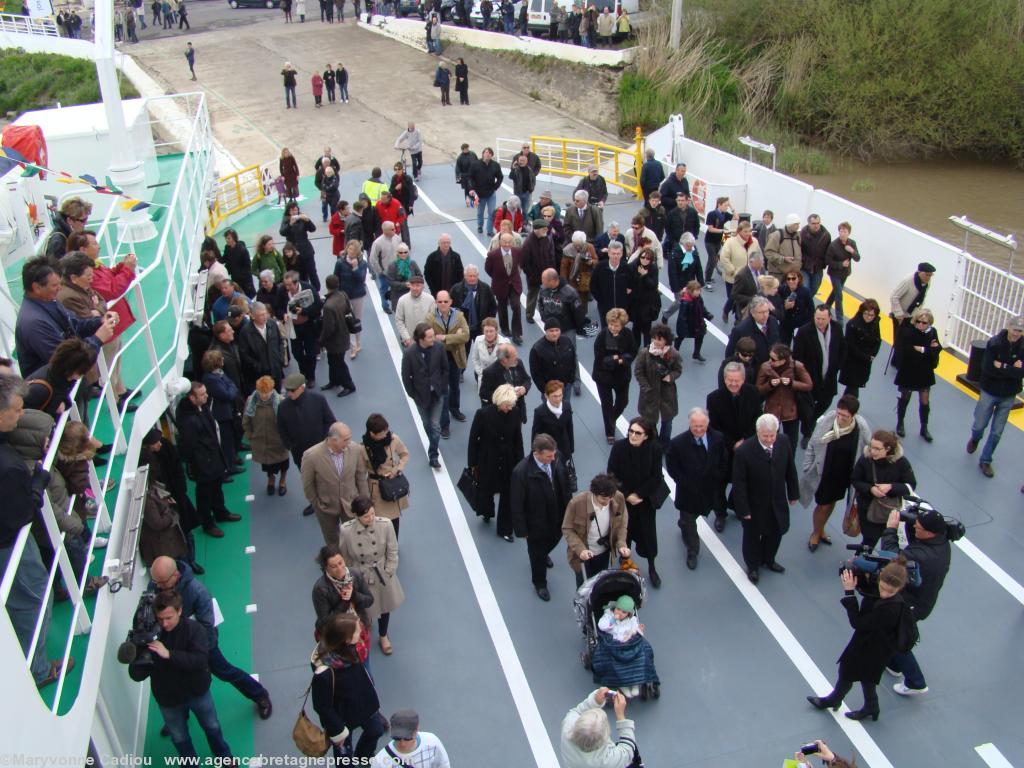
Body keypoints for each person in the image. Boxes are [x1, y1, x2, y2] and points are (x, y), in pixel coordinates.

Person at [0, 375, 71, 687]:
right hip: (8, 545)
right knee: (32, 597)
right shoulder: (7, 468)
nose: (19, 416)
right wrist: (37, 485)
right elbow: (21, 515)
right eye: (15, 411)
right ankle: (40, 669)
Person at [148, 556, 271, 719]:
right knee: (179, 679)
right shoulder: (156, 587)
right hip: (172, 645)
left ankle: (260, 694)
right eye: (156, 581)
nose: (157, 586)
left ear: (176, 575)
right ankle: (179, 714)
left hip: (202, 645)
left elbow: (206, 626)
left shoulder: (197, 592)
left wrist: (196, 653)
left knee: (225, 671)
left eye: (162, 582)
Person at [128, 591, 233, 759]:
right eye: (160, 619)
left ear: (179, 610)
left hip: (197, 691)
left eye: (169, 618)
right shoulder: (150, 634)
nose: (164, 623)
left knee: (212, 726)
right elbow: (136, 675)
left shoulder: (194, 630)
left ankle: (224, 757)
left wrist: (168, 654)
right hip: (168, 699)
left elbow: (199, 660)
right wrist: (136, 652)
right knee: (179, 737)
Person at [808, 561, 912, 723]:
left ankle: (835, 700)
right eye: (882, 588)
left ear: (899, 589)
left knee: (847, 670)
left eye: (890, 591)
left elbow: (858, 623)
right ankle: (870, 706)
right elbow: (870, 592)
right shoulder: (891, 599)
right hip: (878, 645)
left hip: (872, 645)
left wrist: (849, 592)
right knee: (867, 677)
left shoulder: (889, 609)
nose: (884, 593)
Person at [881, 505, 951, 697]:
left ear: (928, 532)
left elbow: (891, 558)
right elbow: (917, 539)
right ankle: (894, 664)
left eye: (918, 527)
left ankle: (915, 681)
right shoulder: (941, 541)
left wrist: (890, 529)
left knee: (896, 637)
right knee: (895, 633)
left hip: (912, 603)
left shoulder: (920, 556)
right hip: (921, 599)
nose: (915, 528)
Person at [15, 260, 115, 381]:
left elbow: (74, 325)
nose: (60, 288)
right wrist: (98, 339)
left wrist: (100, 321)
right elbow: (64, 363)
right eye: (54, 285)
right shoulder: (34, 323)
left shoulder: (49, 300)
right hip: (55, 393)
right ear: (36, 288)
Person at [732, 414, 799, 584]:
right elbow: (739, 483)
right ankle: (753, 566)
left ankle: (769, 559)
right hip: (754, 504)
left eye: (772, 435)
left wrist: (793, 493)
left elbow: (790, 469)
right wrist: (743, 509)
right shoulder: (744, 451)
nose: (769, 439)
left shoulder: (783, 442)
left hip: (777, 501)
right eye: (765, 436)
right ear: (758, 432)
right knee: (752, 536)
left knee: (776, 532)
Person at [311, 613, 387, 759]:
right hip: (342, 717)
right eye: (357, 631)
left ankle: (362, 757)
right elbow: (322, 706)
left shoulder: (351, 649)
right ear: (346, 640)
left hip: (364, 704)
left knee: (376, 730)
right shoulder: (324, 672)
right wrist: (338, 731)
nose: (361, 633)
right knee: (343, 755)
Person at [800, 395, 871, 551]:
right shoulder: (828, 421)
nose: (840, 418)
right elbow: (813, 443)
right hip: (825, 472)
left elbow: (868, 449)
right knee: (823, 505)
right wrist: (807, 467)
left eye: (845, 416)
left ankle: (821, 529)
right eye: (839, 413)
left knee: (831, 502)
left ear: (854, 416)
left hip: (844, 475)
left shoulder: (861, 427)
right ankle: (816, 533)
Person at [510, 433, 572, 601]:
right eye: (548, 456)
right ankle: (540, 583)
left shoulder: (557, 458)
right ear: (536, 453)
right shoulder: (521, 472)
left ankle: (544, 554)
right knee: (536, 553)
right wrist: (522, 530)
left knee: (555, 538)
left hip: (558, 514)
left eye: (553, 455)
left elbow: (564, 485)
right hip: (536, 521)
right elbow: (516, 503)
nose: (552, 459)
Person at [339, 496, 404, 655]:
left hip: (381, 573)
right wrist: (350, 575)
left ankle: (383, 635)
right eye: (366, 516)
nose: (370, 518)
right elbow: (345, 555)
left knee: (384, 607)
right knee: (361, 608)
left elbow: (392, 550)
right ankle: (364, 631)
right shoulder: (346, 531)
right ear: (356, 516)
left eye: (373, 514)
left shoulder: (385, 525)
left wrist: (389, 571)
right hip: (360, 574)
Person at [175, 382, 241, 537]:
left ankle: (221, 512)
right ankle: (208, 523)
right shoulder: (188, 420)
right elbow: (189, 446)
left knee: (217, 488)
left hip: (213, 457)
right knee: (204, 495)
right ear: (192, 398)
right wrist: (200, 463)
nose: (206, 396)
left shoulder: (201, 407)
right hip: (203, 464)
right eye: (202, 394)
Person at [666, 407, 728, 571]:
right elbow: (672, 467)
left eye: (702, 426)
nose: (699, 430)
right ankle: (693, 550)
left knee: (715, 505)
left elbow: (724, 459)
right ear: (689, 424)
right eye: (695, 426)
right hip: (689, 492)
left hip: (711, 488)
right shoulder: (678, 443)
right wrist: (684, 482)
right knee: (689, 523)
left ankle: (720, 517)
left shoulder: (718, 438)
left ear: (707, 423)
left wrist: (718, 476)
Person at [608, 417, 664, 586]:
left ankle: (652, 567)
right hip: (623, 502)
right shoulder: (619, 448)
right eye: (631, 431)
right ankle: (626, 559)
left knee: (648, 535)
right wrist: (627, 495)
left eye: (638, 433)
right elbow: (612, 474)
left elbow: (656, 477)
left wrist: (639, 494)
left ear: (646, 436)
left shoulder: (655, 449)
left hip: (644, 502)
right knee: (625, 532)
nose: (633, 435)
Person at [706, 362, 760, 532]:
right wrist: (732, 444)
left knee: (742, 481)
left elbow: (757, 418)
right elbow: (714, 426)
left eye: (737, 380)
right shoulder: (714, 398)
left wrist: (746, 440)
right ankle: (720, 513)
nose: (733, 384)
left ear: (743, 379)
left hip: (747, 446)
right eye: (730, 380)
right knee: (719, 484)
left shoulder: (753, 393)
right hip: (723, 449)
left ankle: (736, 505)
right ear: (724, 379)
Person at [967, 314, 1024, 478]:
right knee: (979, 424)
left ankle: (985, 460)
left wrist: (1002, 366)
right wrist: (1012, 369)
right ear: (1008, 327)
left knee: (997, 431)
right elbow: (988, 368)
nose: (1016, 333)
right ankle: (975, 438)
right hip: (989, 391)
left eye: (1020, 331)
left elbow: (1021, 372)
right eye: (1014, 329)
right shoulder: (994, 344)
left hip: (1008, 394)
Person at [469, 384, 525, 540]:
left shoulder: (515, 413)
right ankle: (486, 511)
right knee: (486, 489)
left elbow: (517, 439)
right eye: (507, 405)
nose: (509, 408)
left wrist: (520, 462)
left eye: (511, 405)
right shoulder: (483, 414)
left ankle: (505, 529)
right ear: (499, 402)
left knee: (508, 494)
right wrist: (472, 464)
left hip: (508, 459)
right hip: (488, 459)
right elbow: (473, 440)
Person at [301, 422, 369, 546]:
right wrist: (317, 504)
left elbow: (360, 477)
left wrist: (365, 501)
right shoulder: (311, 456)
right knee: (332, 540)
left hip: (351, 504)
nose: (349, 442)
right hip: (326, 507)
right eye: (346, 440)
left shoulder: (355, 449)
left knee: (356, 536)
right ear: (333, 440)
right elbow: (308, 485)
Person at [851, 429, 916, 550]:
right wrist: (870, 489)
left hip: (891, 512)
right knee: (869, 539)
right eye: (871, 447)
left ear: (888, 449)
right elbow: (855, 479)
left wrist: (890, 487)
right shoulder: (865, 459)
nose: (872, 451)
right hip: (868, 509)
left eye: (877, 449)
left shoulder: (901, 463)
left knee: (889, 542)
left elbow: (910, 485)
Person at [562, 473, 629, 588]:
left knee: (600, 583)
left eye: (610, 498)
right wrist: (581, 549)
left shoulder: (618, 497)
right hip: (582, 555)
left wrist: (621, 543)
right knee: (583, 586)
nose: (607, 502)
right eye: (603, 498)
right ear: (594, 492)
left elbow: (622, 522)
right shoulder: (576, 503)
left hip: (603, 552)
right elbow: (567, 528)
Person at [793, 305, 846, 448]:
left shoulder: (836, 329)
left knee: (826, 401)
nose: (820, 321)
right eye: (817, 318)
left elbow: (842, 348)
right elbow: (797, 356)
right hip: (810, 377)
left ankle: (810, 421)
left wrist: (838, 366)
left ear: (829, 318)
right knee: (807, 407)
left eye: (823, 319)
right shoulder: (804, 332)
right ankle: (807, 432)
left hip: (828, 376)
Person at [401, 323, 448, 469]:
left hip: (437, 394)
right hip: (420, 396)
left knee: (435, 425)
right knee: (427, 424)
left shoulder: (439, 347)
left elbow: (445, 369)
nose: (433, 339)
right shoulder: (409, 353)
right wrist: (413, 394)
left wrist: (442, 387)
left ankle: (433, 455)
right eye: (430, 337)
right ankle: (434, 442)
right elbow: (406, 376)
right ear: (421, 339)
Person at [893, 307, 941, 441]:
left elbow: (937, 349)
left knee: (924, 400)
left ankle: (924, 427)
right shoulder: (909, 332)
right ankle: (900, 423)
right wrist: (927, 350)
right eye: (919, 321)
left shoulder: (932, 333)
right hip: (909, 370)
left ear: (929, 323)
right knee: (905, 397)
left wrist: (921, 349)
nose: (921, 324)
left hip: (924, 372)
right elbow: (907, 350)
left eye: (924, 323)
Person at [560, 687, 638, 768]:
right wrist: (620, 715)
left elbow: (577, 712)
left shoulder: (568, 726)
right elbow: (627, 751)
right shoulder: (608, 761)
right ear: (604, 738)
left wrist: (595, 701)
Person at [360, 414, 410, 538]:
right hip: (375, 487)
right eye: (382, 432)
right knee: (375, 519)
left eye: (386, 430)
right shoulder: (362, 448)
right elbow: (360, 472)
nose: (386, 434)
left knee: (394, 520)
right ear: (372, 433)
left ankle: (393, 545)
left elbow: (404, 454)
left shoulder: (393, 439)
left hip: (391, 483)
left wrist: (397, 469)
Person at [757, 343, 813, 454]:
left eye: (773, 359)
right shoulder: (765, 367)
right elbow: (759, 388)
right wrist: (770, 385)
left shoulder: (797, 366)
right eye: (770, 357)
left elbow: (808, 385)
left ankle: (788, 462)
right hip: (772, 410)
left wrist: (792, 383)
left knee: (791, 443)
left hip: (791, 410)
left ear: (783, 360)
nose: (770, 361)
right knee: (769, 441)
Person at [633, 324, 681, 449]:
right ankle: (654, 445)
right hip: (649, 393)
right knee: (650, 421)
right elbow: (638, 372)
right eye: (654, 338)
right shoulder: (645, 353)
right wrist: (646, 388)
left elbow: (678, 370)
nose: (656, 341)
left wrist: (670, 377)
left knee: (667, 422)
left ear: (666, 340)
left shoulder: (673, 354)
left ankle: (664, 445)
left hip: (667, 393)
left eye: (659, 339)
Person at [592, 308, 635, 444]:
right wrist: (620, 358)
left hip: (622, 376)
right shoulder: (602, 336)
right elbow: (602, 359)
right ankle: (609, 432)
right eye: (611, 324)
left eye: (616, 325)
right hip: (603, 376)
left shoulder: (628, 334)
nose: (612, 327)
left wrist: (615, 358)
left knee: (623, 402)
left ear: (622, 325)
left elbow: (632, 352)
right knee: (607, 404)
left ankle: (611, 419)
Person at [429, 291, 470, 434]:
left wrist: (444, 338)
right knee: (443, 392)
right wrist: (455, 337)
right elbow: (430, 338)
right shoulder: (430, 318)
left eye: (445, 301)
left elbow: (466, 336)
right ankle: (444, 423)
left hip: (455, 358)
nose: (443, 304)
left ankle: (455, 409)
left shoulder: (459, 316)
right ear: (436, 303)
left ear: (450, 302)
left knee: (455, 386)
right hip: (439, 359)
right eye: (440, 302)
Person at [241, 376, 289, 496]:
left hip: (278, 441)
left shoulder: (281, 401)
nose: (263, 395)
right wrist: (250, 435)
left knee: (283, 463)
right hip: (262, 441)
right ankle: (271, 480)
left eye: (266, 392)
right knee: (267, 465)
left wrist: (287, 438)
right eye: (261, 392)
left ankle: (283, 481)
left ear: (271, 390)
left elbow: (288, 422)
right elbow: (246, 421)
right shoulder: (251, 402)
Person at [312, 544, 374, 634]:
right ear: (325, 568)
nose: (340, 568)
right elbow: (325, 623)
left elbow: (369, 600)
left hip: (360, 625)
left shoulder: (355, 574)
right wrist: (345, 601)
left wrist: (353, 595)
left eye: (340, 563)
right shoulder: (320, 589)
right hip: (338, 634)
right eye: (334, 566)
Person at [889, 262, 935, 367]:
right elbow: (894, 297)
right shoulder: (908, 281)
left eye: (930, 275)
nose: (928, 277)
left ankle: (901, 360)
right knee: (899, 339)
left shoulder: (927, 282)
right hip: (900, 315)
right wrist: (899, 315)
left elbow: (922, 298)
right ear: (919, 272)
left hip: (912, 316)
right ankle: (897, 362)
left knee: (907, 339)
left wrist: (918, 314)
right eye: (926, 274)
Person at [371, 709, 450, 768]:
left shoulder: (432, 743)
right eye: (397, 738)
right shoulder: (380, 762)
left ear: (417, 729)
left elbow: (443, 765)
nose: (402, 744)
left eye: (407, 738)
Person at [319, 275, 357, 397]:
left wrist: (321, 341)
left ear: (327, 285)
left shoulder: (328, 306)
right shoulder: (343, 295)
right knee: (333, 361)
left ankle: (349, 385)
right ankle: (334, 380)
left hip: (335, 341)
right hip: (344, 334)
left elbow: (329, 328)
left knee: (339, 363)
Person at [282, 271, 322, 384]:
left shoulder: (308, 288)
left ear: (296, 283)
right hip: (293, 327)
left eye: (289, 285)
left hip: (308, 326)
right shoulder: (282, 291)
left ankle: (310, 376)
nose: (287, 287)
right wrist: (283, 314)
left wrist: (303, 311)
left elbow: (318, 306)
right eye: (286, 285)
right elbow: (278, 306)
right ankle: (304, 371)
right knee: (296, 352)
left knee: (310, 352)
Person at [484, 232, 524, 344]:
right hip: (500, 285)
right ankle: (505, 329)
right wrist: (497, 277)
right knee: (502, 307)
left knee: (516, 306)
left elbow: (521, 264)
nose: (507, 244)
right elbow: (488, 269)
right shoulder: (493, 255)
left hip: (514, 284)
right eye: (504, 242)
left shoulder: (517, 252)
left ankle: (517, 334)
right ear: (500, 242)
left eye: (509, 242)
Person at [838, 298, 882, 399]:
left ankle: (846, 408)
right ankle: (847, 409)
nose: (868, 317)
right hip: (852, 361)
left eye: (871, 315)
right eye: (866, 313)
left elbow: (878, 340)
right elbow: (851, 346)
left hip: (865, 362)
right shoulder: (852, 325)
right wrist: (867, 357)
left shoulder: (875, 323)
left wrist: (873, 355)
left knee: (854, 387)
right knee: (853, 387)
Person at [479, 343, 531, 423]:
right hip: (500, 415)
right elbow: (483, 393)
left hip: (518, 411)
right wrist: (504, 396)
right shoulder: (490, 372)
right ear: (504, 360)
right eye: (514, 356)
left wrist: (524, 388)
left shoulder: (518, 363)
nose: (516, 358)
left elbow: (527, 379)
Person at [530, 319, 577, 407]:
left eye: (557, 330)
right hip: (550, 391)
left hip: (566, 386)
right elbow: (535, 373)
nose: (555, 333)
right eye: (551, 331)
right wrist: (545, 390)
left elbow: (573, 361)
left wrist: (571, 380)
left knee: (565, 410)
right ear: (546, 331)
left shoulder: (567, 341)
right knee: (549, 415)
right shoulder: (537, 349)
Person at [725, 297, 780, 369]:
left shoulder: (773, 321)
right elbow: (729, 354)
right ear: (752, 313)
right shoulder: (741, 330)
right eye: (761, 312)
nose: (765, 315)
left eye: (767, 311)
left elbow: (777, 341)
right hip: (753, 371)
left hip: (771, 367)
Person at [521, 220, 559, 323]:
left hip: (547, 273)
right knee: (533, 295)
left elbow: (551, 255)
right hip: (534, 275)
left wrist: (552, 270)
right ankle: (529, 314)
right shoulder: (528, 243)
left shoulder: (546, 238)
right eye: (544, 228)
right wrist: (531, 274)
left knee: (548, 295)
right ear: (537, 229)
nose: (547, 230)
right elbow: (524, 263)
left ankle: (548, 313)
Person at [335, 241, 367, 358]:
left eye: (353, 250)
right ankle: (352, 346)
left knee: (357, 319)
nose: (351, 251)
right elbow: (336, 277)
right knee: (347, 320)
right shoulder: (340, 263)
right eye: (349, 249)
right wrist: (336, 293)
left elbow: (361, 279)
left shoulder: (362, 263)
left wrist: (355, 268)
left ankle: (358, 342)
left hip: (358, 295)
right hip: (345, 295)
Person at [532, 380, 574, 465]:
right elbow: (536, 435)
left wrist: (571, 448)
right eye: (554, 396)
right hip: (549, 450)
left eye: (560, 395)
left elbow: (570, 428)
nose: (558, 399)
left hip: (564, 447)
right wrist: (536, 453)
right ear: (546, 396)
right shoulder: (540, 412)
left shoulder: (566, 406)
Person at [451, 265, 497, 344]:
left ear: (478, 275)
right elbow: (451, 308)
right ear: (465, 276)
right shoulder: (456, 289)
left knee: (482, 353)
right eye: (470, 276)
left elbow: (493, 307)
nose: (472, 278)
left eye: (474, 276)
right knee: (463, 354)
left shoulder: (486, 288)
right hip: (463, 329)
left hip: (480, 329)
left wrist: (487, 323)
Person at [825, 222, 859, 323]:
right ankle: (840, 319)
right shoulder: (833, 245)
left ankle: (826, 307)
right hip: (834, 273)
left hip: (845, 274)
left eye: (845, 231)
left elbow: (858, 258)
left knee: (835, 292)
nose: (842, 233)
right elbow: (828, 261)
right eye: (841, 231)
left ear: (849, 233)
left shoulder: (852, 243)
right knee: (839, 295)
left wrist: (852, 251)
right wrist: (841, 264)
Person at [590, 241, 631, 326]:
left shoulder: (626, 268)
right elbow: (593, 286)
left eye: (618, 253)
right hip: (605, 308)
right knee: (606, 331)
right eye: (613, 253)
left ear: (622, 253)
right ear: (608, 253)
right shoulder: (600, 267)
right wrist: (601, 300)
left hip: (621, 309)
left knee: (620, 331)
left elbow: (631, 285)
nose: (616, 256)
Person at [673, 279, 713, 362]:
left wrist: (707, 314)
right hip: (689, 324)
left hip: (697, 322)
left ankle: (696, 353)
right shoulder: (686, 302)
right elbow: (682, 317)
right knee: (681, 337)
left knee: (700, 336)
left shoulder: (698, 298)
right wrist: (683, 328)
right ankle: (675, 354)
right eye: (697, 290)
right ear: (691, 291)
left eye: (699, 290)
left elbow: (701, 308)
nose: (699, 292)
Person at [627, 248, 660, 347]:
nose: (645, 260)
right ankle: (635, 346)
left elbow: (653, 285)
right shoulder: (633, 266)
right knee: (636, 326)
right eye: (643, 257)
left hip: (648, 302)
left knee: (647, 327)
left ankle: (647, 347)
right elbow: (630, 281)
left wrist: (645, 275)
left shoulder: (653, 268)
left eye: (648, 259)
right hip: (636, 301)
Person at [469, 147, 504, 235]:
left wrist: (495, 187)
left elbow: (500, 177)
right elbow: (470, 177)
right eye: (486, 152)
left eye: (489, 153)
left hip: (491, 193)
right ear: (483, 154)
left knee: (491, 212)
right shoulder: (475, 164)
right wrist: (472, 188)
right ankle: (480, 225)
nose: (487, 154)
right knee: (480, 212)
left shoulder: (495, 165)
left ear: (491, 155)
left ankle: (489, 230)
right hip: (479, 194)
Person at [765, 213, 802, 281]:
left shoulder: (797, 236)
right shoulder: (777, 235)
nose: (798, 226)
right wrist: (783, 258)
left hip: (792, 275)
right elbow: (768, 252)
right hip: (777, 274)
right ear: (790, 224)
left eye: (798, 224)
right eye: (796, 224)